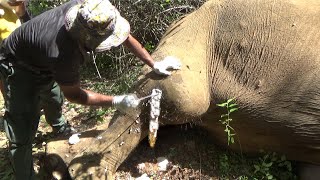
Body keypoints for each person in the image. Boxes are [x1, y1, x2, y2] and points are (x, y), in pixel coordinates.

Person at [0, 0, 181, 179]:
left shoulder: (89, 10)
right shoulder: (64, 53)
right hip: (18, 66)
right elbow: (75, 95)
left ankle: (60, 128)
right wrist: (117, 100)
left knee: (53, 97)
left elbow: (123, 35)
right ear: (87, 37)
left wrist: (153, 63)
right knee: (22, 123)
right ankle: (24, 173)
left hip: (42, 59)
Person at [0, 0, 75, 136]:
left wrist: (22, 10)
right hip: (11, 63)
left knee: (53, 96)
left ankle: (59, 125)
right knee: (20, 112)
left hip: (35, 58)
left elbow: (31, 25)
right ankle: (23, 142)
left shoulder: (13, 5)